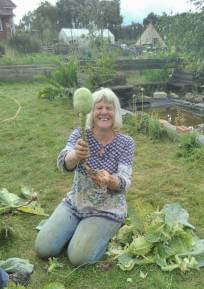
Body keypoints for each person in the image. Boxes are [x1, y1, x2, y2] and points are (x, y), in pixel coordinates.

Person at [35, 88, 134, 266]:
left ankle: (105, 229)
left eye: (109, 108)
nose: (104, 112)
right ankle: (78, 231)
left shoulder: (126, 142)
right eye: (99, 107)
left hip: (107, 208)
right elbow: (63, 164)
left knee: (78, 258)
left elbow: (125, 181)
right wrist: (75, 155)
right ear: (90, 111)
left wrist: (110, 180)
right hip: (76, 203)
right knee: (43, 248)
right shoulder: (80, 135)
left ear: (116, 112)